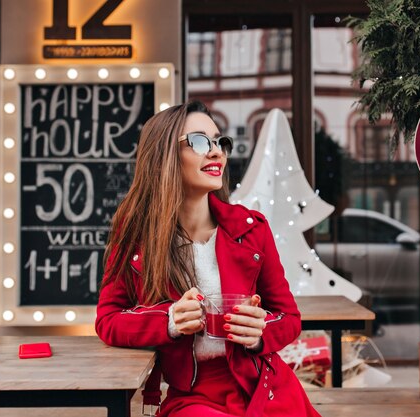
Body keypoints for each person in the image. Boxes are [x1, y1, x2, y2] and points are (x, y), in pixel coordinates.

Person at [96, 100, 321, 417]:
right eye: (200, 142)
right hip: (194, 397)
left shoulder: (252, 229)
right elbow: (108, 321)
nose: (217, 152)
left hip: (265, 386)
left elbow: (289, 318)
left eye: (220, 142)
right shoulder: (136, 234)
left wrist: (260, 332)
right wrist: (170, 320)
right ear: (164, 155)